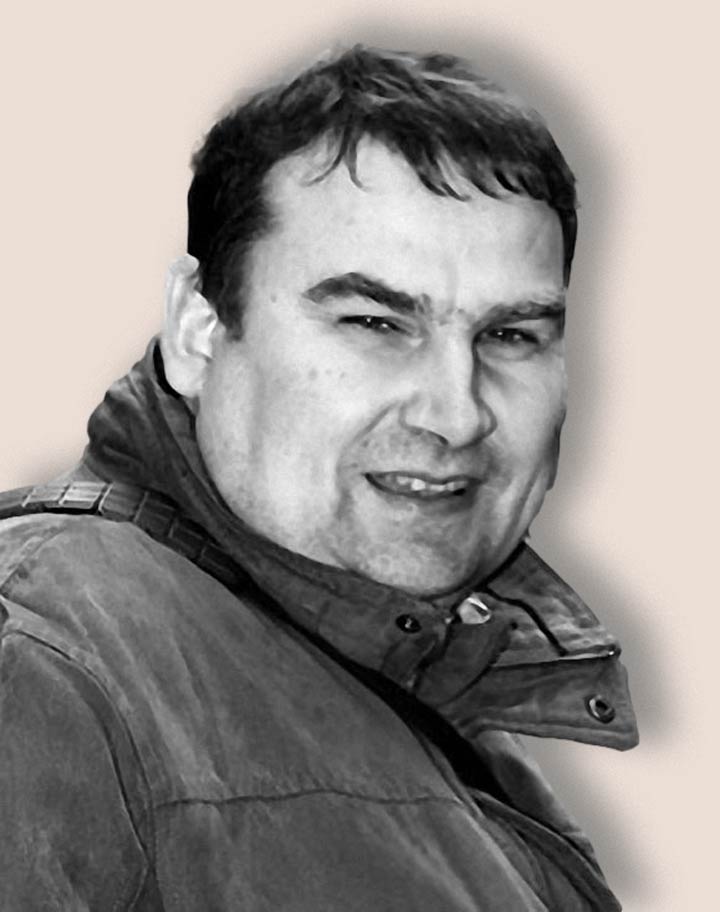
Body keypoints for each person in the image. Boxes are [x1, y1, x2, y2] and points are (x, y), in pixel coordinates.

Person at [0, 45, 637, 910]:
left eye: (510, 336)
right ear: (196, 330)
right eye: (374, 322)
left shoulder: (410, 685)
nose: (456, 414)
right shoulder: (40, 656)